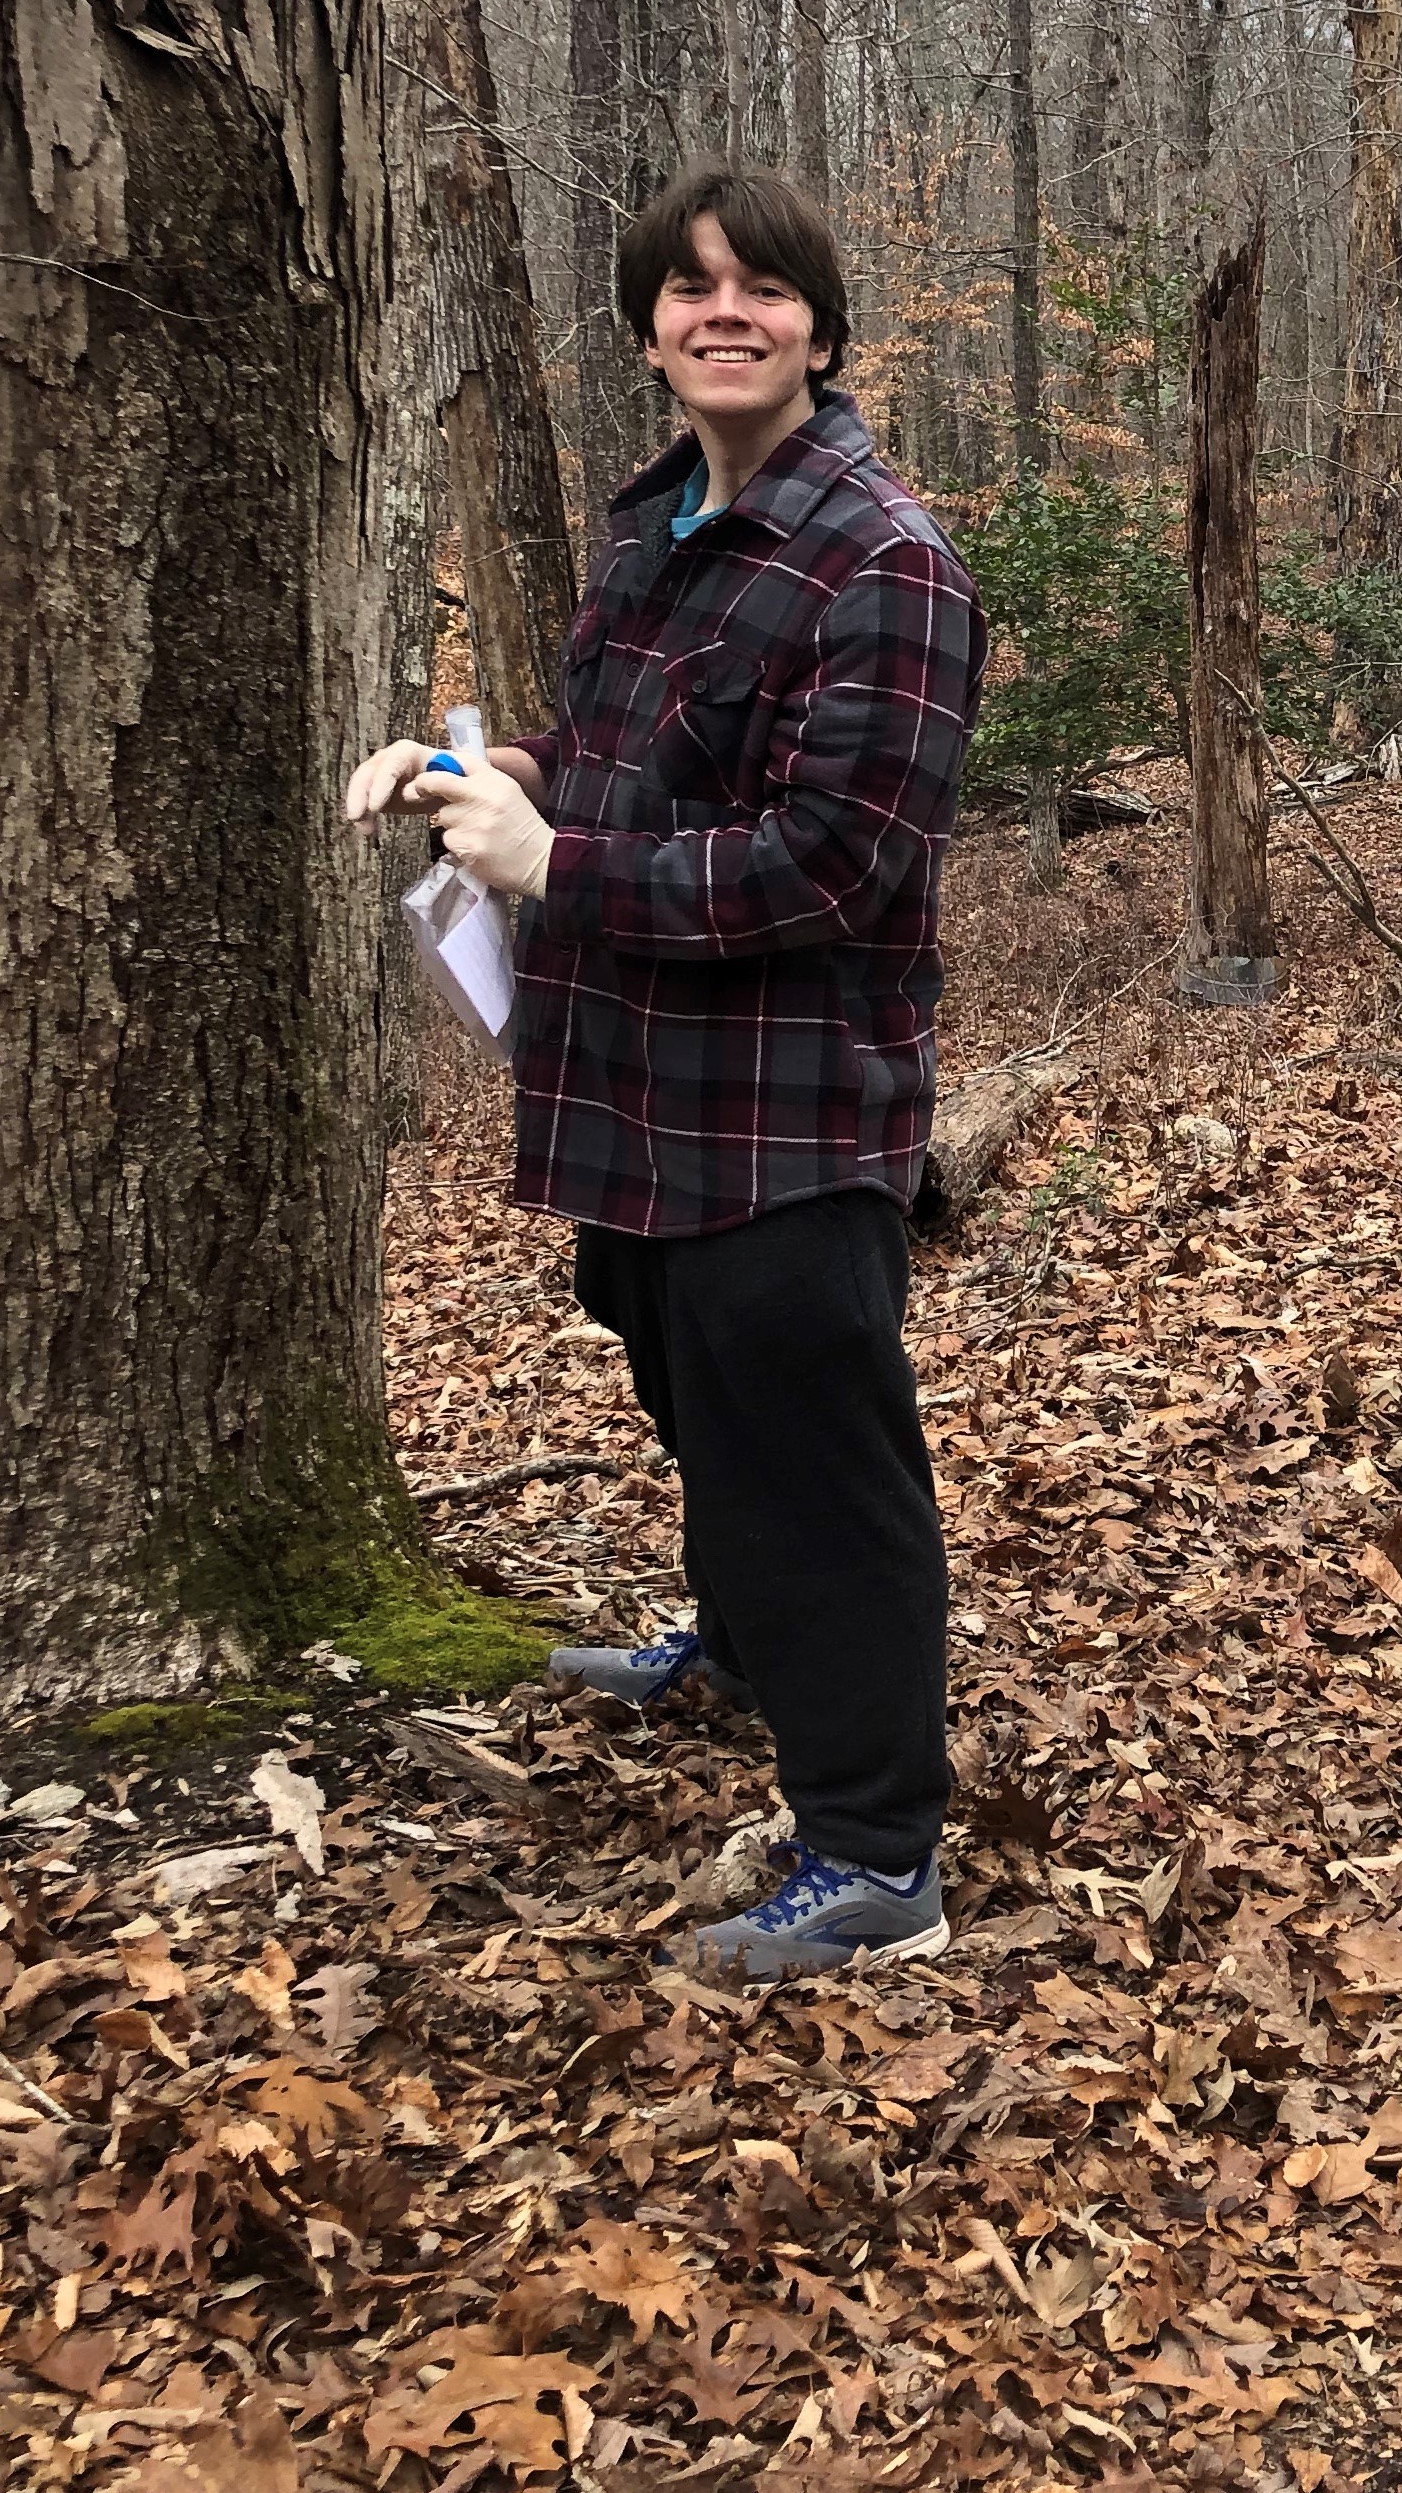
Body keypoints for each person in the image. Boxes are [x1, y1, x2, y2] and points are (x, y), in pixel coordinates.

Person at [344, 165, 985, 1978]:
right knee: (668, 1353)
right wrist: (487, 766)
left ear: (817, 325)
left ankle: (876, 1857)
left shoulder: (885, 562)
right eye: (689, 288)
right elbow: (626, 756)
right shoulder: (649, 531)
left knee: (813, 1460)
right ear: (645, 329)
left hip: (785, 1109)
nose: (725, 312)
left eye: (761, 288)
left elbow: (834, 863)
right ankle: (741, 1632)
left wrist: (559, 868)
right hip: (627, 1088)